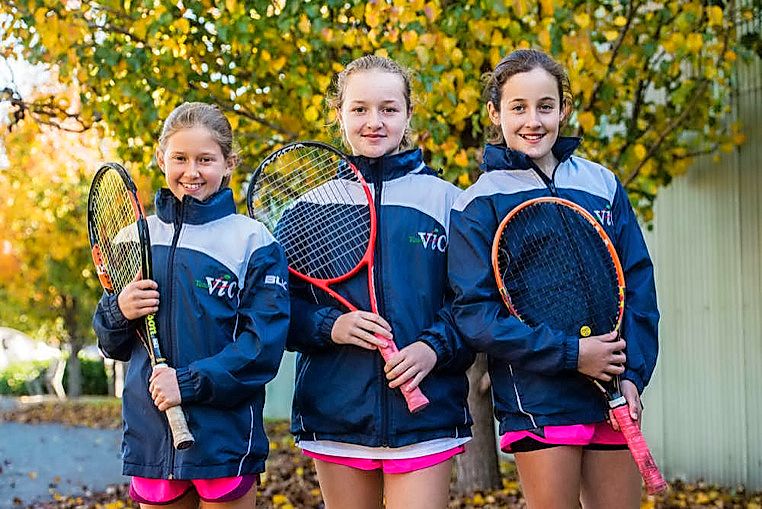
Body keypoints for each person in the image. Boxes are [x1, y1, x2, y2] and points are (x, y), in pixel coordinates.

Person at [448, 49, 660, 509]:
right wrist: (572, 355)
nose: (533, 121)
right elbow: (476, 317)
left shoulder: (602, 184)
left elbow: (639, 285)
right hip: (538, 399)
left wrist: (633, 378)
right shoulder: (478, 203)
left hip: (611, 391)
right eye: (518, 107)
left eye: (546, 106)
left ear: (563, 108)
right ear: (494, 113)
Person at [286, 55, 474, 509]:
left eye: (388, 109)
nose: (374, 122)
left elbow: (473, 305)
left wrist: (433, 348)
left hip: (427, 417)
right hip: (336, 416)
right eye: (359, 109)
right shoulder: (305, 210)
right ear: (339, 114)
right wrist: (330, 326)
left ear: (409, 115)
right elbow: (277, 312)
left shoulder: (449, 202)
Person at [93, 102, 290, 509]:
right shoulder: (134, 236)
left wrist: (187, 383)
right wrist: (119, 311)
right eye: (180, 158)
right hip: (152, 437)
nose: (192, 171)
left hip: (224, 439)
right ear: (161, 157)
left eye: (206, 159)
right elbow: (112, 343)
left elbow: (261, 350)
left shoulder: (253, 241)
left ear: (228, 163)